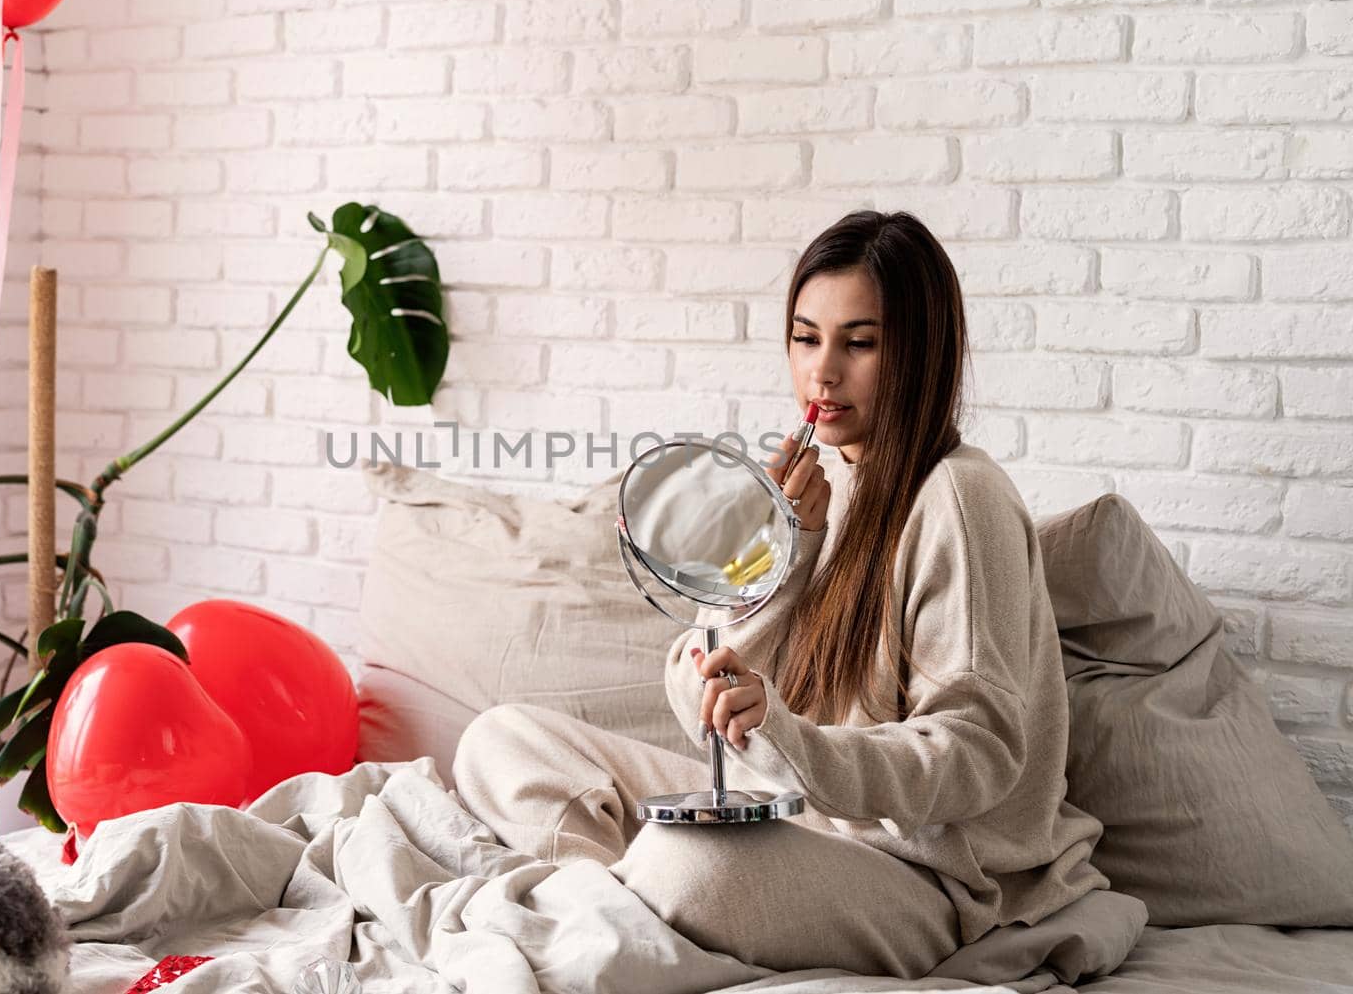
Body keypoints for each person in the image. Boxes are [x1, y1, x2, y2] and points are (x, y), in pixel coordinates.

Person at [451, 210, 1109, 979]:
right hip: (785, 816)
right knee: (499, 741)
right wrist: (782, 555)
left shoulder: (962, 498)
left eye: (859, 343)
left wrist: (792, 742)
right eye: (806, 337)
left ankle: (621, 902)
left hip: (923, 877)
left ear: (919, 351)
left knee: (691, 860)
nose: (821, 373)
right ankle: (628, 903)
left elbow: (977, 752)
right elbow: (696, 684)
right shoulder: (816, 492)